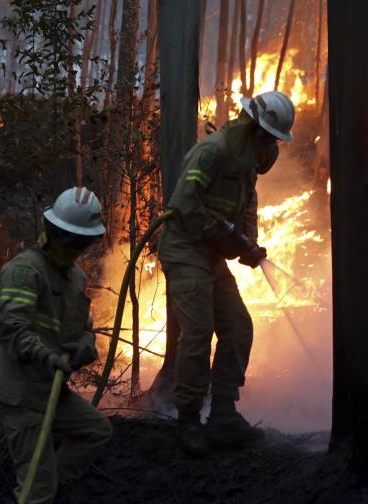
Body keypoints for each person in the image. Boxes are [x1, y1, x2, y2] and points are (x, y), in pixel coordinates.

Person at [158, 90, 295, 455]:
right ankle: (188, 418)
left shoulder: (248, 163)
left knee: (237, 326)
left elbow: (246, 210)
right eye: (268, 135)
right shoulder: (214, 150)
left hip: (212, 255)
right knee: (199, 330)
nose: (271, 146)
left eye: (275, 139)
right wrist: (227, 236)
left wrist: (248, 243)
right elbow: (185, 204)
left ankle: (222, 415)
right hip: (185, 248)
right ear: (254, 127)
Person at [0, 187, 112, 503]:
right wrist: (45, 356)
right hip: (19, 392)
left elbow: (84, 329)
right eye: (65, 236)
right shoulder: (26, 270)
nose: (70, 246)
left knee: (96, 430)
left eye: (79, 241)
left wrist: (85, 346)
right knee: (36, 491)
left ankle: (50, 484)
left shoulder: (77, 279)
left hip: (49, 388)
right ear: (51, 230)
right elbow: (11, 328)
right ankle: (40, 490)